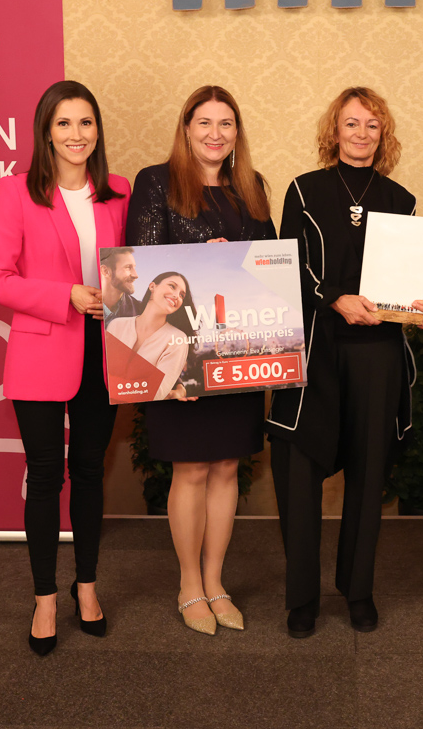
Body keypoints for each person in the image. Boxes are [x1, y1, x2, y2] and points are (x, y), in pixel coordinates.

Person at [268, 86, 423, 638]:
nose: (362, 133)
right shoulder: (304, 190)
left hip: (377, 354)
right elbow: (288, 267)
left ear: (383, 135)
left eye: (372, 125)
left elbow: (410, 281)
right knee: (300, 473)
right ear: (333, 131)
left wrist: (419, 305)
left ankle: (358, 590)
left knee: (368, 472)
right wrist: (335, 298)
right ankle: (302, 599)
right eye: (352, 123)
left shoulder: (402, 200)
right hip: (315, 346)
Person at [0, 80, 130, 656]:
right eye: (64, 123)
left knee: (90, 472)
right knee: (44, 476)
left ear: (98, 130)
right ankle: (44, 597)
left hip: (105, 352)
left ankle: (86, 586)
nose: (76, 134)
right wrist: (64, 295)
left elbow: (145, 265)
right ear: (46, 131)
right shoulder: (17, 191)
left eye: (86, 122)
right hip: (42, 348)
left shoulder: (119, 192)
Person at [126, 85, 275, 635]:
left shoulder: (252, 188)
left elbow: (269, 266)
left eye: (226, 123)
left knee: (228, 466)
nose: (216, 134)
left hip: (234, 352)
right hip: (179, 356)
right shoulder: (155, 182)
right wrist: (197, 262)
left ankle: (216, 581)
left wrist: (239, 264)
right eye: (205, 123)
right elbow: (141, 267)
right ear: (186, 129)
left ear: (237, 133)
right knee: (190, 468)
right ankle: (189, 583)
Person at [104, 270, 194, 401]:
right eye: (172, 286)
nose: (176, 296)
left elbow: (156, 393)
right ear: (152, 286)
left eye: (182, 295)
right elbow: (104, 374)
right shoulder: (116, 325)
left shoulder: (177, 339)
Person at [99, 247, 141, 325]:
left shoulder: (141, 310)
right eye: (128, 267)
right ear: (105, 271)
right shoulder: (86, 305)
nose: (135, 275)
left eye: (134, 268)